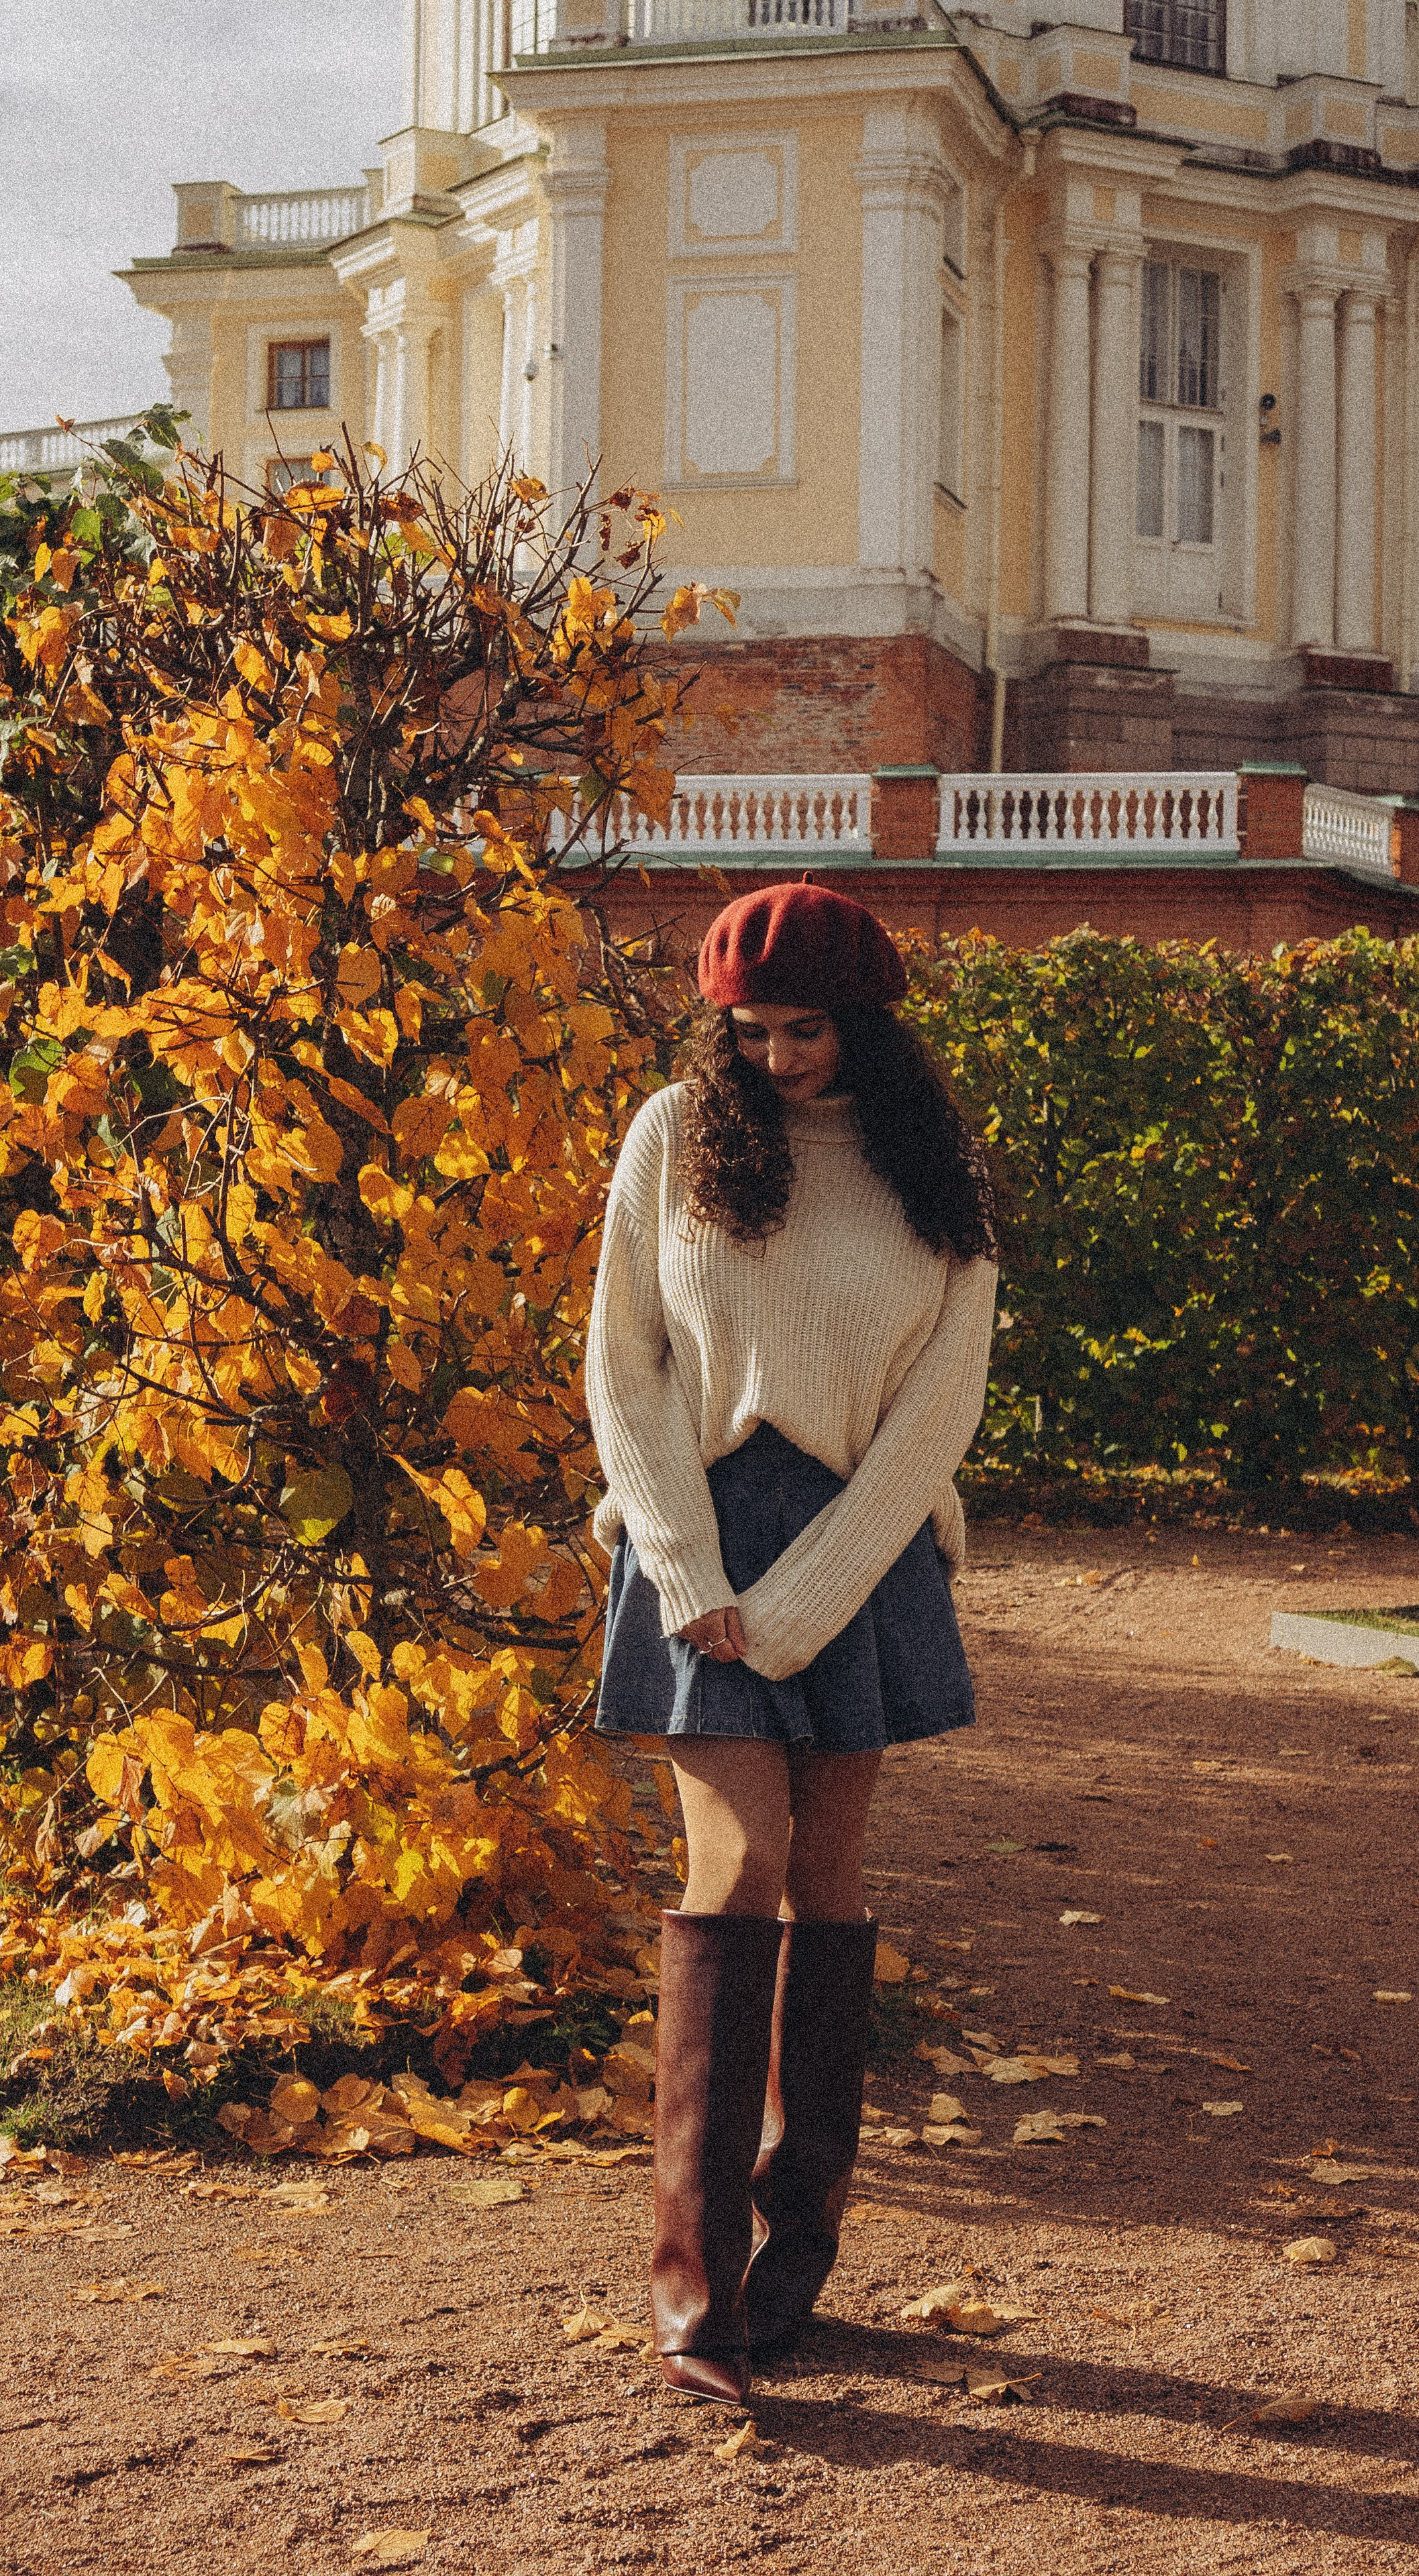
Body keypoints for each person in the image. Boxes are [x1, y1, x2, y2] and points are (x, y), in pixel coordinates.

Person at [584, 879, 999, 2404]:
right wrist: (684, 1561)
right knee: (736, 1865)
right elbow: (619, 1360)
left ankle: (793, 2260)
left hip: (868, 1551)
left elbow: (935, 1414)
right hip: (693, 1537)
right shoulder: (668, 1138)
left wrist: (810, 1599)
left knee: (827, 1881)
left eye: (803, 1029)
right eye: (744, 1031)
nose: (772, 1057)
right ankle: (694, 2289)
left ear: (865, 1024)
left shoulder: (932, 1173)